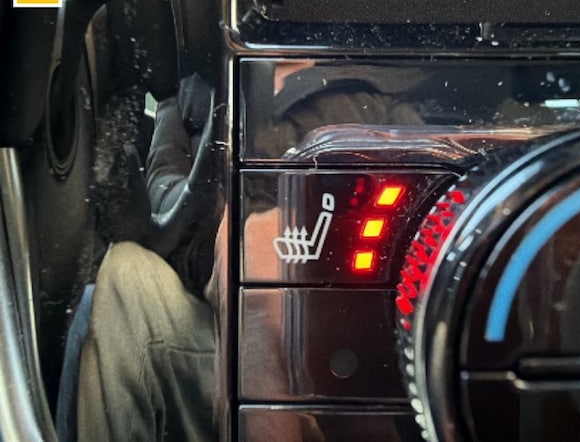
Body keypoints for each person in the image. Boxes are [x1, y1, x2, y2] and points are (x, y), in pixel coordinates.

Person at [64, 62, 430, 441]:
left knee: (263, 244)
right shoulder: (192, 94)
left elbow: (424, 203)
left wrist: (292, 240)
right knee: (125, 269)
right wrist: (234, 236)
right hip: (211, 329)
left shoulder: (371, 92)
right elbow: (163, 198)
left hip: (339, 345)